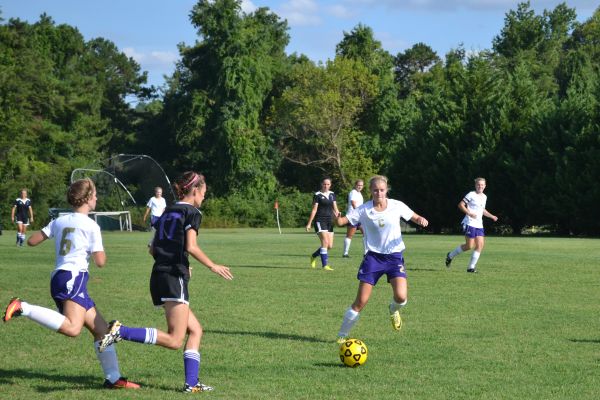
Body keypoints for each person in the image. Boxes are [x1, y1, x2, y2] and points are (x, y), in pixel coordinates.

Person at [98, 171, 233, 393]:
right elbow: (191, 246)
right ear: (195, 190)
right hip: (173, 277)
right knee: (174, 340)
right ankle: (122, 332)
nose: (204, 197)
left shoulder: (167, 212)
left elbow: (153, 248)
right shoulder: (192, 212)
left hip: (160, 274)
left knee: (196, 330)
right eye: (204, 192)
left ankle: (192, 384)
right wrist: (212, 266)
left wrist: (178, 261)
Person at [3, 178, 140, 389]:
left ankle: (113, 378)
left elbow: (32, 241)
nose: (97, 198)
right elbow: (100, 262)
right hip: (73, 278)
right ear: (86, 198)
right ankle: (24, 307)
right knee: (73, 328)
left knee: (102, 330)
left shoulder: (60, 220)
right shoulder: (91, 225)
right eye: (94, 194)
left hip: (60, 276)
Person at [334, 175, 428, 342]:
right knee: (360, 302)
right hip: (373, 259)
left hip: (394, 257)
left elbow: (413, 216)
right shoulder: (364, 210)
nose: (379, 193)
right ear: (370, 191)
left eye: (382, 190)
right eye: (375, 190)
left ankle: (393, 309)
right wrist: (337, 216)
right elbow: (342, 221)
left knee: (401, 297)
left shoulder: (396, 205)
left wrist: (420, 219)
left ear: (386, 190)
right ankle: (342, 336)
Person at [445, 177, 498, 273]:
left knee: (480, 245)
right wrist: (469, 213)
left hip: (479, 224)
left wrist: (491, 216)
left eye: (482, 185)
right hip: (469, 223)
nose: (480, 186)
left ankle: (471, 267)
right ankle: (450, 256)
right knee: (469, 246)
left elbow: (482, 210)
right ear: (475, 185)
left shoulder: (484, 197)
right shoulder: (471, 194)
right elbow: (461, 205)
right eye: (478, 184)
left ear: (485, 186)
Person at [306, 177, 340, 271]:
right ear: (321, 184)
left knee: (329, 246)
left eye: (328, 184)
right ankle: (325, 265)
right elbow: (314, 210)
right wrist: (309, 224)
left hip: (330, 221)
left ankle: (313, 256)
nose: (326, 186)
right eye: (324, 184)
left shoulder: (332, 194)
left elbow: (335, 208)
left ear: (330, 185)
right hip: (320, 221)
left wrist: (338, 214)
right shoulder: (317, 195)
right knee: (325, 242)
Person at [342, 179, 364, 257]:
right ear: (355, 185)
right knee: (350, 235)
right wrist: (358, 212)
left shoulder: (359, 193)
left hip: (359, 217)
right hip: (352, 217)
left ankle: (366, 253)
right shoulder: (353, 192)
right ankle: (345, 253)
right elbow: (353, 203)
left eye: (361, 185)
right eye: (358, 185)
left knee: (366, 234)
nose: (360, 187)